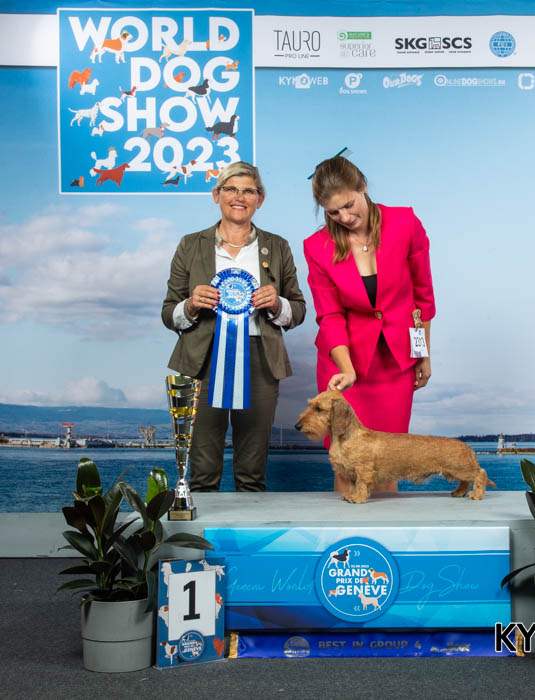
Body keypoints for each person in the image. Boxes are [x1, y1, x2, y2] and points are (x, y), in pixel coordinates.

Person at [162, 162, 306, 492]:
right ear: (216, 195)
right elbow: (169, 313)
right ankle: (201, 525)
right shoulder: (190, 244)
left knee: (252, 473)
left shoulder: (278, 246)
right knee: (201, 472)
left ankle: (248, 527)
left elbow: (298, 310)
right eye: (230, 189)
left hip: (261, 362)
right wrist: (191, 305)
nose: (239, 197)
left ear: (260, 199)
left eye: (248, 191)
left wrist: (277, 304)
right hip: (201, 362)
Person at [304, 156, 435, 493]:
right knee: (347, 464)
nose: (345, 217)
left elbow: (422, 297)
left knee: (387, 464)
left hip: (395, 362)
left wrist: (423, 353)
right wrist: (346, 370)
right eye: (333, 212)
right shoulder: (316, 247)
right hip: (344, 363)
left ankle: (384, 529)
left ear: (362, 187)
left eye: (349, 205)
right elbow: (329, 315)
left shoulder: (405, 223)